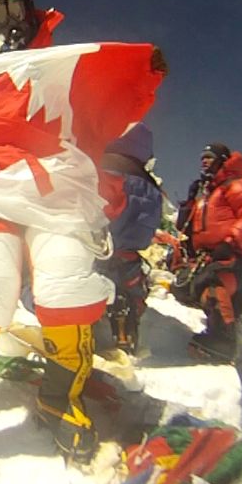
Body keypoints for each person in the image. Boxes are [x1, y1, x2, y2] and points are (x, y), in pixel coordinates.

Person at [0, 0, 165, 472]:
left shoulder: (61, 65)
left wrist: (139, 78)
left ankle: (61, 395)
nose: (11, 22)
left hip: (50, 190)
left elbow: (100, 115)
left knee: (68, 276)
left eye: (18, 7)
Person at [174, 143, 242, 362]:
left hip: (232, 256)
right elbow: (185, 227)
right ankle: (218, 326)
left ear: (223, 160)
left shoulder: (235, 185)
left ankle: (223, 340)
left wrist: (231, 241)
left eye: (209, 157)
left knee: (213, 284)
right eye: (202, 157)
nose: (204, 161)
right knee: (187, 286)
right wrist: (188, 203)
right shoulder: (207, 195)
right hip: (208, 256)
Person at [94, 122, 163, 355]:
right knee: (128, 284)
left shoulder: (105, 170)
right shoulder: (151, 186)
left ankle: (85, 329)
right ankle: (126, 331)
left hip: (98, 248)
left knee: (88, 282)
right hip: (129, 254)